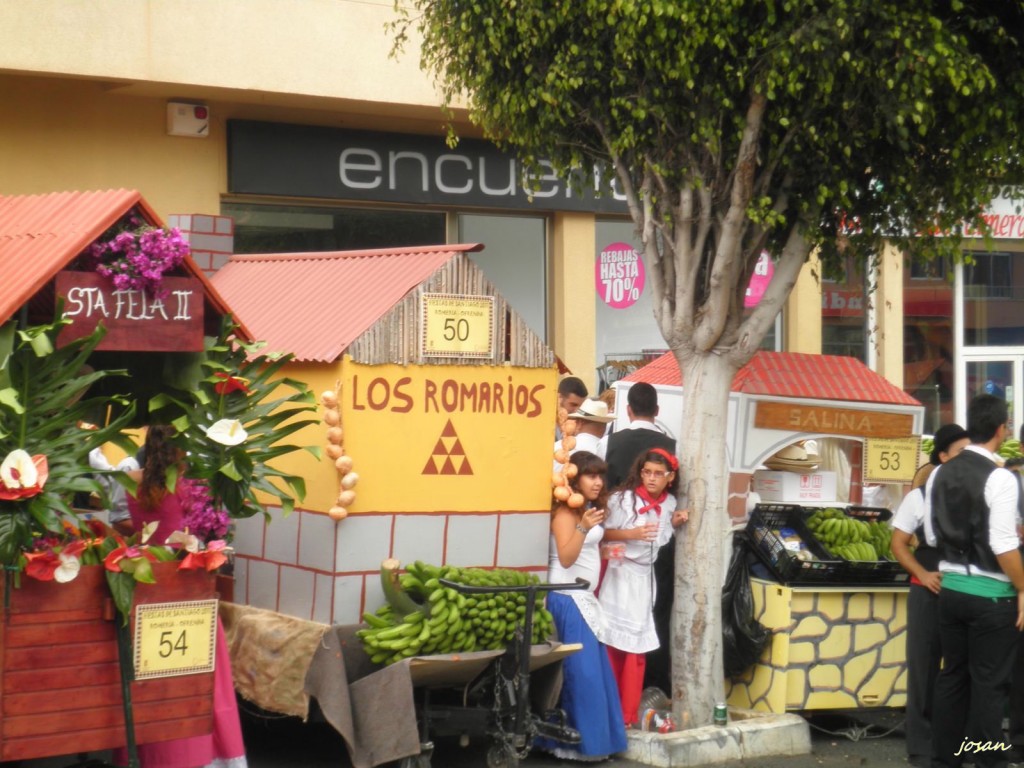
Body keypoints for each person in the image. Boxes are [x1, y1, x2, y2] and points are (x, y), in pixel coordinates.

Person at [119, 425, 249, 768]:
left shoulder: (132, 479)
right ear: (183, 449)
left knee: (147, 678)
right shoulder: (191, 486)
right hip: (185, 580)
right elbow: (208, 529)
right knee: (195, 676)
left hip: (145, 582)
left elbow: (132, 526)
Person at [924, 395, 1024, 768]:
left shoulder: (939, 472)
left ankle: (944, 761)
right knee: (989, 685)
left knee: (952, 677)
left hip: (950, 591)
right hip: (992, 596)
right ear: (1002, 429)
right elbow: (1003, 544)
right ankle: (989, 761)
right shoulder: (1001, 478)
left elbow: (932, 538)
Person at [535, 451, 627, 761]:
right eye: (591, 475)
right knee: (580, 672)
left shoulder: (585, 510)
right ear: (574, 479)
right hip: (566, 597)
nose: (598, 482)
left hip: (583, 596)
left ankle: (589, 742)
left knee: (590, 670)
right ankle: (571, 744)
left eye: (601, 476)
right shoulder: (565, 513)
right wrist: (585, 529)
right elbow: (565, 558)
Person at [890, 423, 970, 768]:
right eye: (959, 454)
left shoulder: (972, 493)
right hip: (926, 592)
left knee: (958, 670)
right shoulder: (917, 497)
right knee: (923, 669)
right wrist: (921, 573)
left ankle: (955, 743)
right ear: (942, 456)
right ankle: (920, 748)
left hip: (964, 593)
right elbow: (898, 543)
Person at [599, 448, 688, 727]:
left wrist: (672, 523)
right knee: (614, 643)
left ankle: (627, 713)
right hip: (619, 574)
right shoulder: (622, 500)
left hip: (644, 579)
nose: (651, 478)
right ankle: (612, 709)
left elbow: (660, 538)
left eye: (658, 474)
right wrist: (631, 534)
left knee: (638, 645)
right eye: (647, 472)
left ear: (669, 477)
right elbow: (601, 533)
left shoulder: (670, 504)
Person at [597, 381, 677, 694]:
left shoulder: (608, 442)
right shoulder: (671, 444)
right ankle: (651, 684)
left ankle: (614, 689)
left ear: (627, 410)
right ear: (657, 411)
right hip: (652, 542)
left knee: (610, 619)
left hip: (613, 546)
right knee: (654, 612)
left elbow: (600, 489)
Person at [554, 398, 615, 471]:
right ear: (604, 427)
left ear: (580, 423)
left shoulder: (557, 446)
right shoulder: (607, 451)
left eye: (576, 422)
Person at [556, 376, 589, 440]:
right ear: (559, 399)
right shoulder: (546, 424)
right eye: (573, 405)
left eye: (581, 406)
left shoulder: (582, 428)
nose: (577, 411)